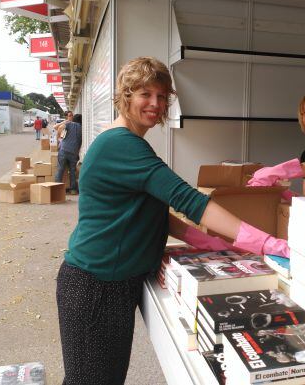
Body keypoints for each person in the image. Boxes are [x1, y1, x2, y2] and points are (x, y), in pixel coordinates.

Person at [56, 57, 289, 385]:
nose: (155, 103)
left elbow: (152, 211)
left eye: (162, 96)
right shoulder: (121, 144)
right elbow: (188, 200)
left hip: (109, 283)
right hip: (96, 287)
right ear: (126, 95)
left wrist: (213, 243)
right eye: (145, 94)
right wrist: (266, 243)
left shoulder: (128, 141)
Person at [54, 114, 82, 194]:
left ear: (74, 119)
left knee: (60, 169)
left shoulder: (69, 124)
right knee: (72, 171)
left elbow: (57, 128)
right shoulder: (82, 128)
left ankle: (57, 189)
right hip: (74, 152)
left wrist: (59, 138)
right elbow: (80, 142)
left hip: (64, 150)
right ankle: (73, 190)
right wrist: (77, 152)